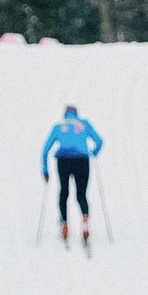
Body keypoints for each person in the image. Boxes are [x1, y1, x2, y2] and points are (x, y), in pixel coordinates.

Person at [41, 105, 104, 248]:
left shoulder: (58, 127)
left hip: (63, 161)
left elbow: (45, 150)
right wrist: (93, 153)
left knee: (64, 193)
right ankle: (85, 221)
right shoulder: (84, 124)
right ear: (76, 114)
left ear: (65, 115)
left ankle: (64, 225)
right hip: (82, 160)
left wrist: (45, 171)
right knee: (81, 194)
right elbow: (99, 141)